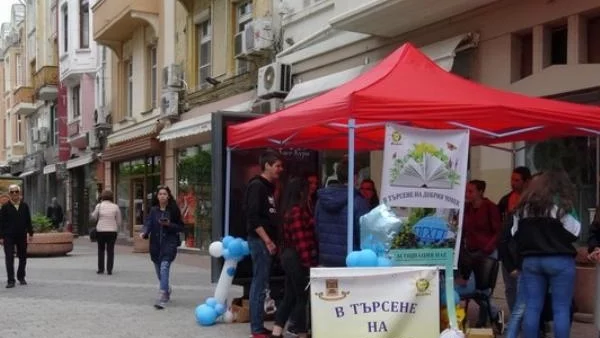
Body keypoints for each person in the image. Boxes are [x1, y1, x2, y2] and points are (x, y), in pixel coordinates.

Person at [512, 170, 580, 338]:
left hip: (531, 261)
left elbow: (515, 233)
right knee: (561, 309)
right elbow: (576, 231)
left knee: (532, 307)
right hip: (560, 261)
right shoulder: (561, 206)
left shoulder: (524, 207)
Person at [270, 178, 317, 338]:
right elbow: (301, 240)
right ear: (300, 192)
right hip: (297, 258)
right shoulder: (297, 211)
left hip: (290, 256)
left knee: (290, 296)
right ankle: (302, 333)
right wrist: (309, 263)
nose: (310, 190)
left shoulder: (290, 210)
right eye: (307, 187)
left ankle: (277, 331)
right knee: (301, 296)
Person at [245, 150, 284, 338]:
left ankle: (259, 325)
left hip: (265, 242)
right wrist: (267, 240)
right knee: (259, 283)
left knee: (262, 282)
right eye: (277, 165)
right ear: (267, 165)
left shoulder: (269, 187)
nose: (280, 169)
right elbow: (252, 217)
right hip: (259, 242)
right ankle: (256, 328)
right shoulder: (257, 186)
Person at [462, 179, 504, 333]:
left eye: (471, 191)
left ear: (480, 192)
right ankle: (488, 316)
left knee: (483, 288)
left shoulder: (490, 207)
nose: (467, 194)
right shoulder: (466, 208)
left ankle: (492, 313)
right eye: (467, 191)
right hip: (471, 253)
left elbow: (497, 231)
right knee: (474, 288)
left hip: (487, 253)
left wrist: (487, 248)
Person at [315, 158, 370, 267]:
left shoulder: (321, 201)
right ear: (354, 177)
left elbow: (317, 229)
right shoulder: (358, 201)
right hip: (352, 260)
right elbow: (364, 234)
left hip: (326, 259)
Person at [140, 186, 184, 309]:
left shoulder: (174, 210)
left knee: (164, 268)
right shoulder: (153, 210)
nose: (162, 196)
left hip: (169, 243)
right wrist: (144, 232)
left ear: (168, 196)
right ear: (157, 196)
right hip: (155, 245)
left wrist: (168, 224)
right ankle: (166, 288)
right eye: (160, 194)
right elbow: (148, 223)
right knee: (159, 272)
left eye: (164, 194)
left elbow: (181, 227)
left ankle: (162, 295)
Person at [498, 166, 532, 312]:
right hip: (508, 250)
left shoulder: (534, 200)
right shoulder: (506, 200)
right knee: (510, 288)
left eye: (517, 180)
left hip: (526, 252)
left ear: (527, 181)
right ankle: (514, 318)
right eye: (512, 179)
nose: (513, 183)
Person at [0, 184, 33, 288]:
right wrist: (1, 237)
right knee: (9, 258)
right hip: (8, 236)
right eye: (12, 192)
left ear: (20, 193)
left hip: (21, 235)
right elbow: (1, 222)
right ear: (9, 194)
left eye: (16, 192)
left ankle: (21, 277)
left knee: (23, 257)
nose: (14, 194)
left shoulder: (24, 206)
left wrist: (31, 233)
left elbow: (28, 220)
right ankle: (11, 280)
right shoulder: (5, 207)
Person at [90, 190, 122, 275]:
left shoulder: (99, 206)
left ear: (102, 197)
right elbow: (119, 221)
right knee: (110, 250)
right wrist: (116, 227)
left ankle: (101, 269)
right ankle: (109, 270)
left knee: (101, 250)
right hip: (112, 231)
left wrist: (92, 213)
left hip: (100, 231)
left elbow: (94, 217)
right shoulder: (115, 207)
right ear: (111, 197)